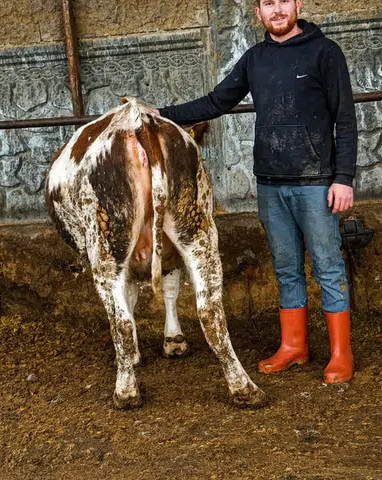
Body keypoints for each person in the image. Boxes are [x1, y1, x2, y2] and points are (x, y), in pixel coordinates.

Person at [153, 0, 358, 383]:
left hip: (317, 182)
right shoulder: (254, 59)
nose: (276, 9)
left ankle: (339, 354)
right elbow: (216, 101)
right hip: (270, 183)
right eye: (267, 3)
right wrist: (162, 114)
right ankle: (294, 346)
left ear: (297, 4)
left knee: (328, 268)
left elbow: (345, 118)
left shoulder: (325, 53)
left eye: (283, 1)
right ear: (258, 14)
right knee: (286, 269)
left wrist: (343, 178)